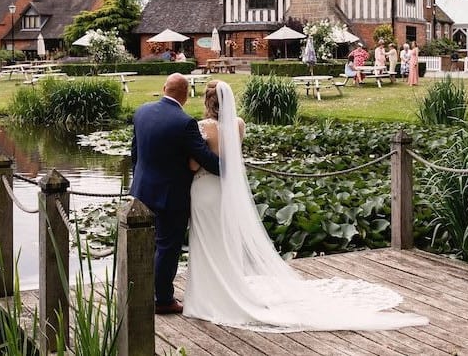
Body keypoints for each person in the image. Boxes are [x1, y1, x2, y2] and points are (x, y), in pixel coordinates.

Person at [183, 81, 428, 332]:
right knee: (225, 242)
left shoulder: (203, 128)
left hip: (205, 190)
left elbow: (193, 165)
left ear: (207, 102)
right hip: (227, 193)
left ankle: (208, 296)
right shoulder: (239, 125)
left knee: (205, 242)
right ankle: (231, 289)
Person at [129, 73, 220, 315]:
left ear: (164, 88)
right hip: (170, 196)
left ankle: (138, 288)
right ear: (187, 95)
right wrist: (231, 168)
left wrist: (137, 180)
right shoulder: (184, 122)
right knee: (167, 246)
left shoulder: (142, 112)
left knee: (146, 243)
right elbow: (205, 159)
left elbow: (135, 153)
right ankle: (163, 300)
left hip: (142, 189)